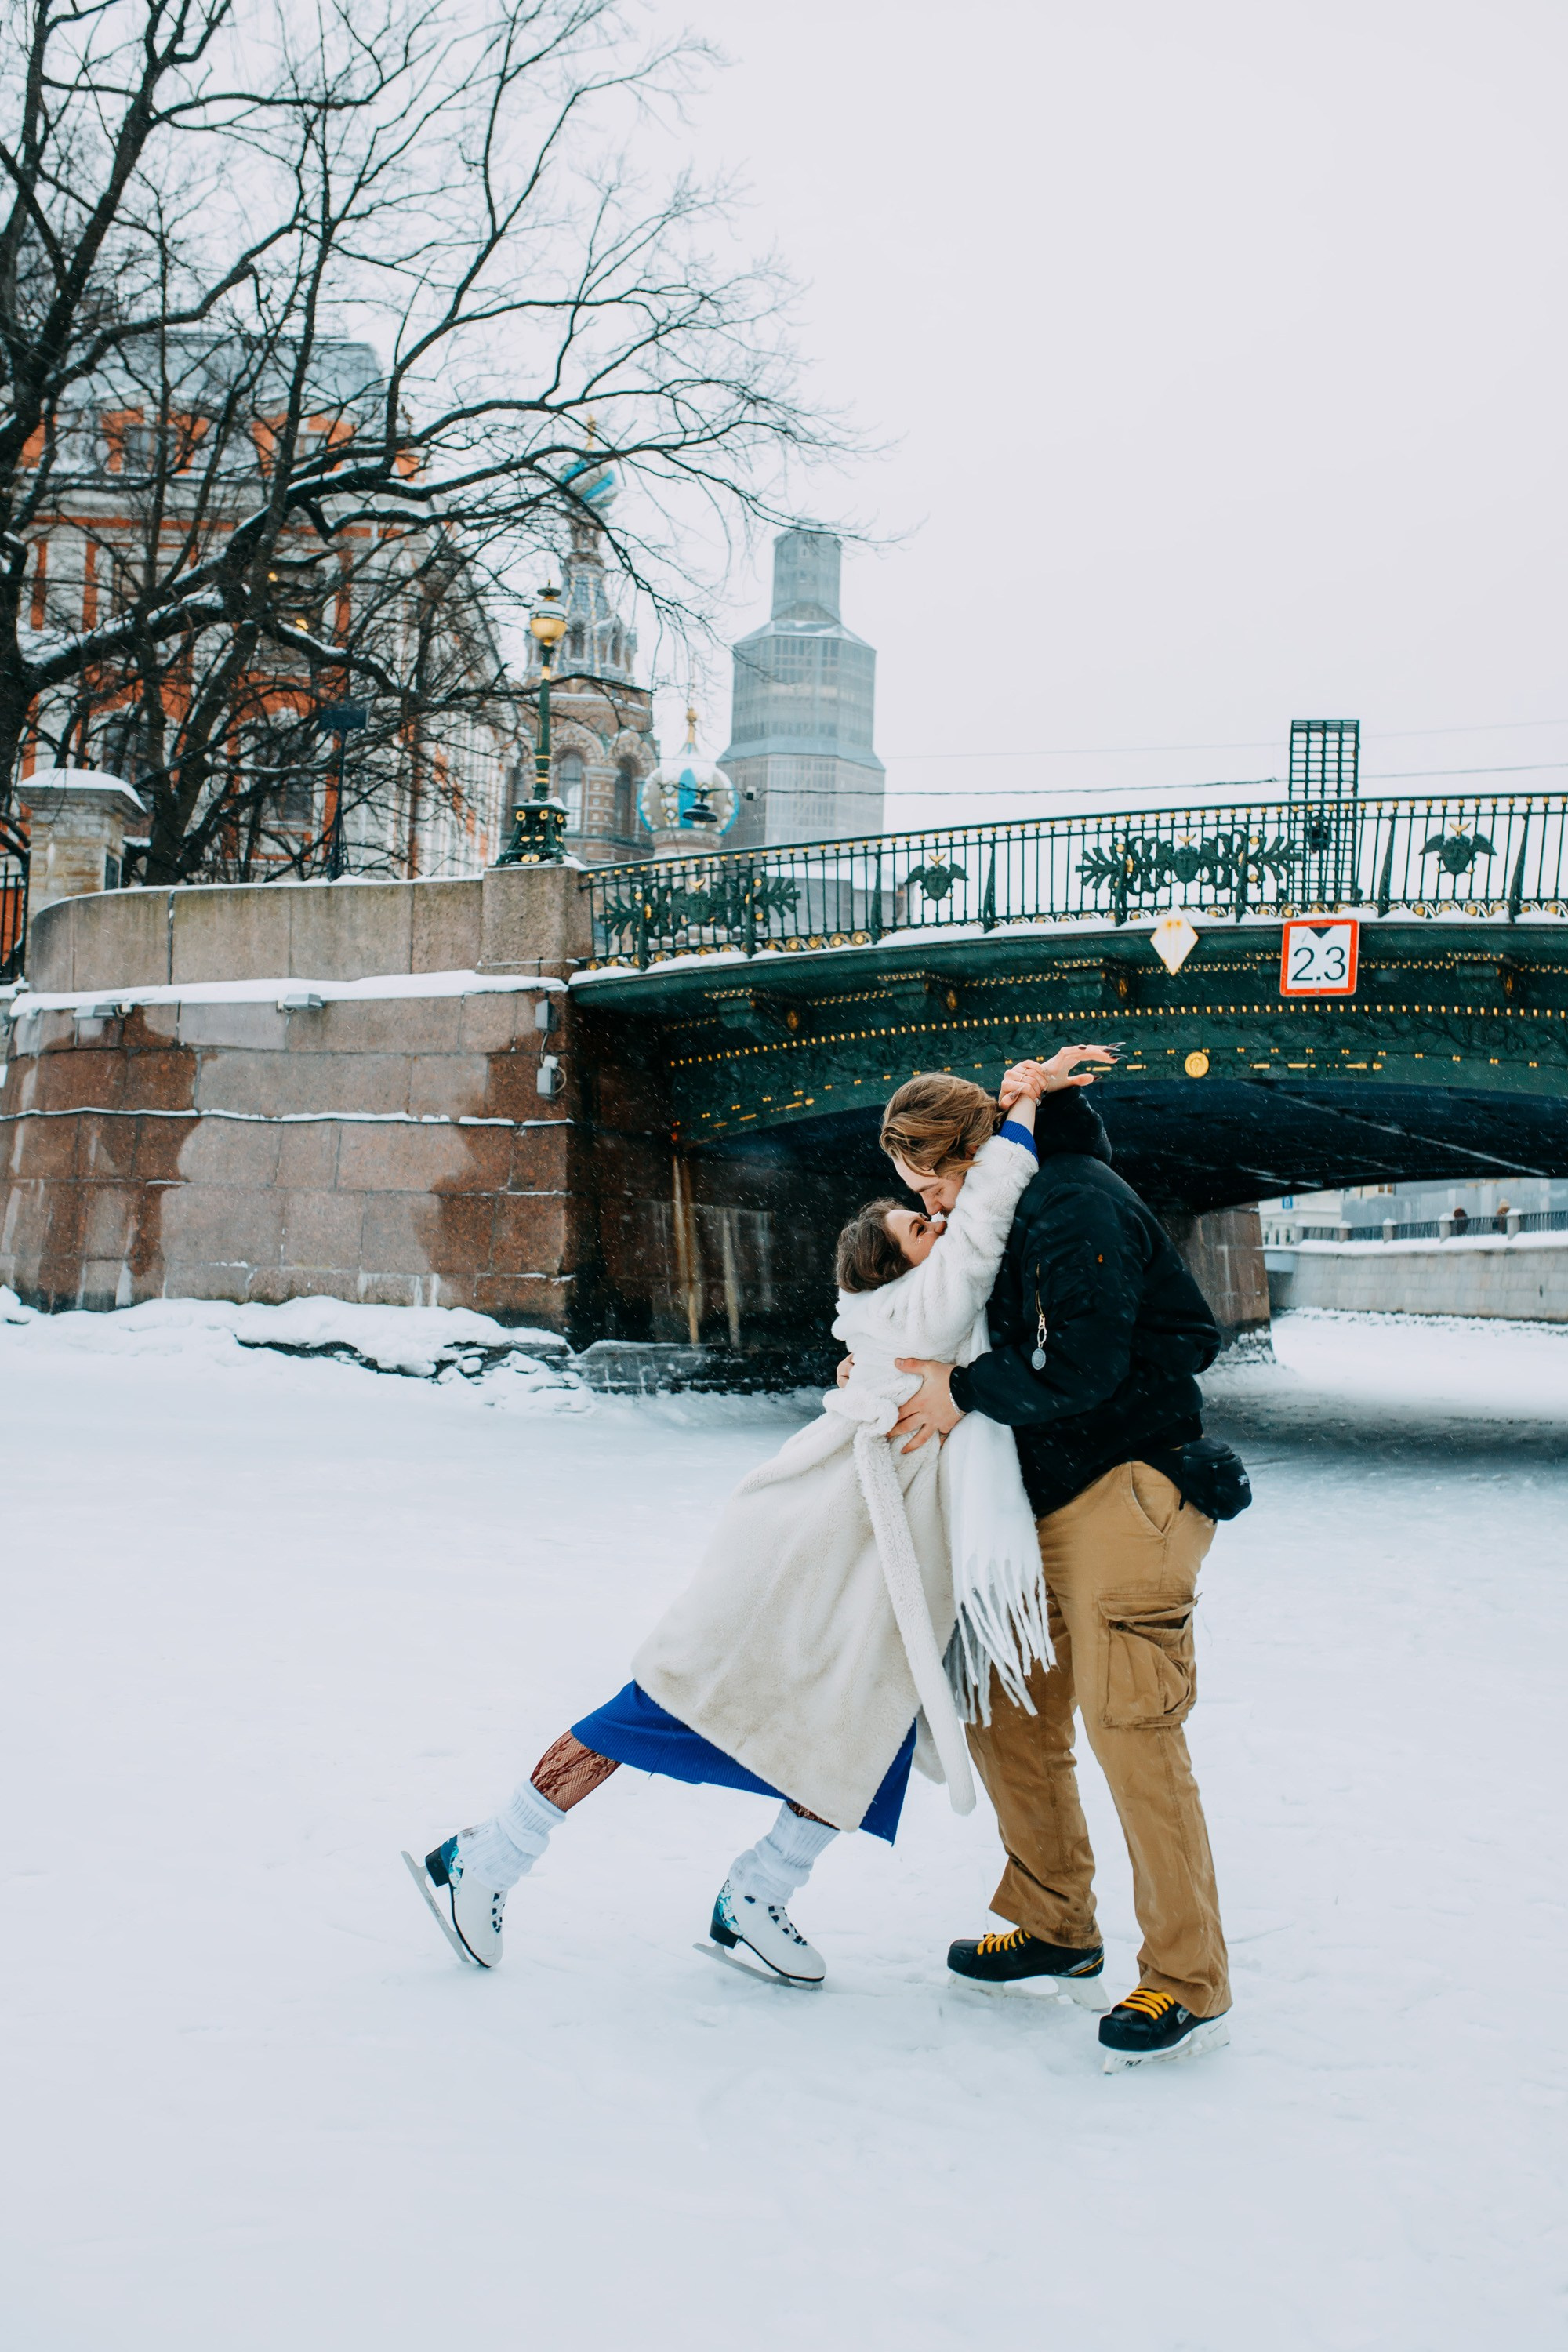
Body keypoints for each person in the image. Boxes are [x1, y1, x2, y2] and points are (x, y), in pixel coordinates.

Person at [405, 1050, 1109, 1987]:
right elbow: (979, 1230)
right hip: (817, 1546)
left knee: (863, 1728)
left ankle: (757, 1895)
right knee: (669, 1699)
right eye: (917, 1217)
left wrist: (1026, 1113)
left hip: (875, 1565)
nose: (937, 1215)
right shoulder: (922, 1305)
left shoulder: (920, 1308)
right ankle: (487, 1855)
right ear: (887, 1272)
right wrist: (1018, 1118)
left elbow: (973, 1245)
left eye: (927, 1196)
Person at [887, 1067, 1232, 2070]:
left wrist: (960, 1392)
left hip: (1127, 1489)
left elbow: (1083, 1363)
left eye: (932, 1184)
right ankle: (1052, 1922)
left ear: (970, 1154)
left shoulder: (1076, 1201)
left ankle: (1185, 1976)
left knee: (1132, 1733)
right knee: (1007, 1715)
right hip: (1035, 1504)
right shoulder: (1011, 1212)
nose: (932, 1207)